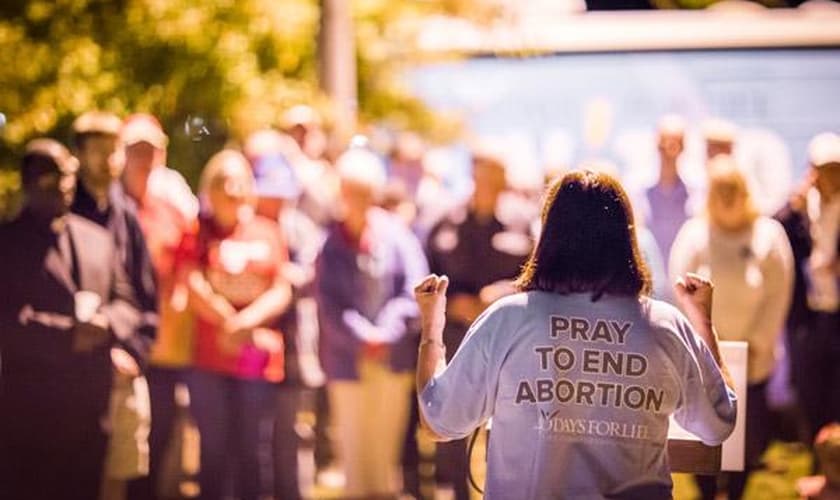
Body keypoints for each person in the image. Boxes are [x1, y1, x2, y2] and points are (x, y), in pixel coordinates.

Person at [414, 169, 737, 499]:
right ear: (626, 237)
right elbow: (718, 424)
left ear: (549, 234)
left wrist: (431, 327)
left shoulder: (509, 318)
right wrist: (702, 321)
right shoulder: (665, 325)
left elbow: (438, 420)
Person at [0, 139, 141, 500]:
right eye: (51, 177)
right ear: (29, 181)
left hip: (90, 404)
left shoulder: (97, 238)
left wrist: (107, 324)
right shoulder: (8, 243)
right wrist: (67, 337)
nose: (63, 185)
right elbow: (8, 320)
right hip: (31, 409)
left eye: (68, 176)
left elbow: (127, 301)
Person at [669, 156, 794, 499]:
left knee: (747, 438)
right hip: (703, 358)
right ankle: (706, 490)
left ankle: (737, 490)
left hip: (753, 360)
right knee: (704, 433)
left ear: (745, 191)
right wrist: (702, 342)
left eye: (732, 190)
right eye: (719, 190)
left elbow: (778, 294)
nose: (726, 198)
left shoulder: (768, 235)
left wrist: (757, 344)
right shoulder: (695, 234)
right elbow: (678, 289)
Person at [314, 147, 429, 499]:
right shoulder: (330, 245)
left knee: (385, 450)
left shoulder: (397, 236)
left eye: (364, 192)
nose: (357, 200)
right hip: (347, 360)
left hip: (391, 358)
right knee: (353, 447)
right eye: (350, 192)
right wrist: (363, 336)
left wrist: (387, 333)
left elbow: (415, 287)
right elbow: (329, 303)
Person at [179, 150, 292, 500]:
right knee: (213, 450)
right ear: (209, 190)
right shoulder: (198, 232)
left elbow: (281, 288)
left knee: (253, 451)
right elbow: (190, 280)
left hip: (256, 360)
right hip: (209, 359)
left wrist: (246, 322)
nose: (232, 189)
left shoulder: (268, 231)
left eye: (239, 181)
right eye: (222, 182)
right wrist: (225, 320)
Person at [425, 147, 531, 500]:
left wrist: (500, 294)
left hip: (508, 341)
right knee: (454, 419)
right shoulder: (446, 221)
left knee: (506, 424)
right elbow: (424, 271)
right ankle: (456, 493)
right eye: (480, 175)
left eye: (494, 177)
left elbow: (540, 277)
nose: (486, 184)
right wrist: (449, 303)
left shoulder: (523, 222)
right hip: (456, 336)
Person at [71, 110, 157, 497]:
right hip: (72, 369)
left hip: (122, 369)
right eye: (99, 151)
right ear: (80, 155)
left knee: (118, 474)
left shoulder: (126, 216)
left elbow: (144, 296)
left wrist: (134, 352)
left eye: (115, 151)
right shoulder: (63, 213)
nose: (109, 161)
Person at [120, 113, 199, 500]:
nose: (144, 157)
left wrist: (180, 296)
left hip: (166, 340)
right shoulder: (112, 204)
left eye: (150, 149)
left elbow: (188, 256)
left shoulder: (173, 203)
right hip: (124, 340)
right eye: (135, 149)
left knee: (162, 425)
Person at [775, 132, 840, 447]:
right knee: (809, 387)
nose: (829, 177)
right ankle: (817, 454)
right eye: (824, 169)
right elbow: (773, 233)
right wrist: (792, 206)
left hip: (836, 312)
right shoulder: (800, 208)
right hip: (807, 315)